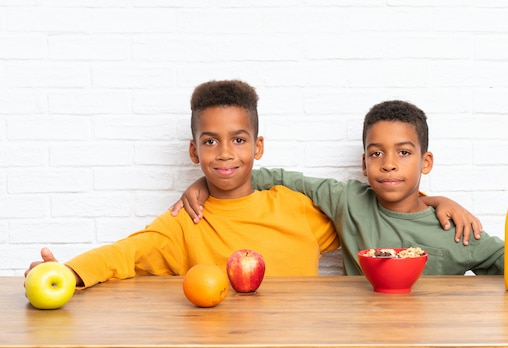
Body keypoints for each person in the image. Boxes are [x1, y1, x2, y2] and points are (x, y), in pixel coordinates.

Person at [174, 100, 508, 288]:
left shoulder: (452, 227)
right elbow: (277, 176)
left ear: (426, 163)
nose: (389, 164)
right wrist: (207, 181)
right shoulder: (347, 201)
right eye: (376, 153)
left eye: (404, 152)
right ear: (364, 164)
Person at [25, 80, 343, 288]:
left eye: (238, 139)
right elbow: (122, 254)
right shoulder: (185, 220)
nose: (225, 153)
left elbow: (363, 222)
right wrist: (68, 273)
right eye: (210, 142)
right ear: (194, 151)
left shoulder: (295, 207)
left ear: (257, 147)